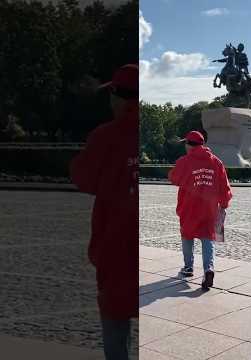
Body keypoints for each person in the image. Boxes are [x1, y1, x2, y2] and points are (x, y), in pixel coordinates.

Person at [70, 64, 139, 360]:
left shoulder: (107, 136)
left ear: (116, 96)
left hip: (116, 246)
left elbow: (82, 178)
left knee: (115, 326)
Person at [168, 131, 232, 289]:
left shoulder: (184, 161)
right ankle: (208, 269)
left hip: (189, 206)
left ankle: (188, 267)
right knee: (208, 237)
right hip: (209, 207)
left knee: (187, 234)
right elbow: (224, 186)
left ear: (189, 145)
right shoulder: (216, 162)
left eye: (185, 143)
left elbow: (173, 178)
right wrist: (224, 204)